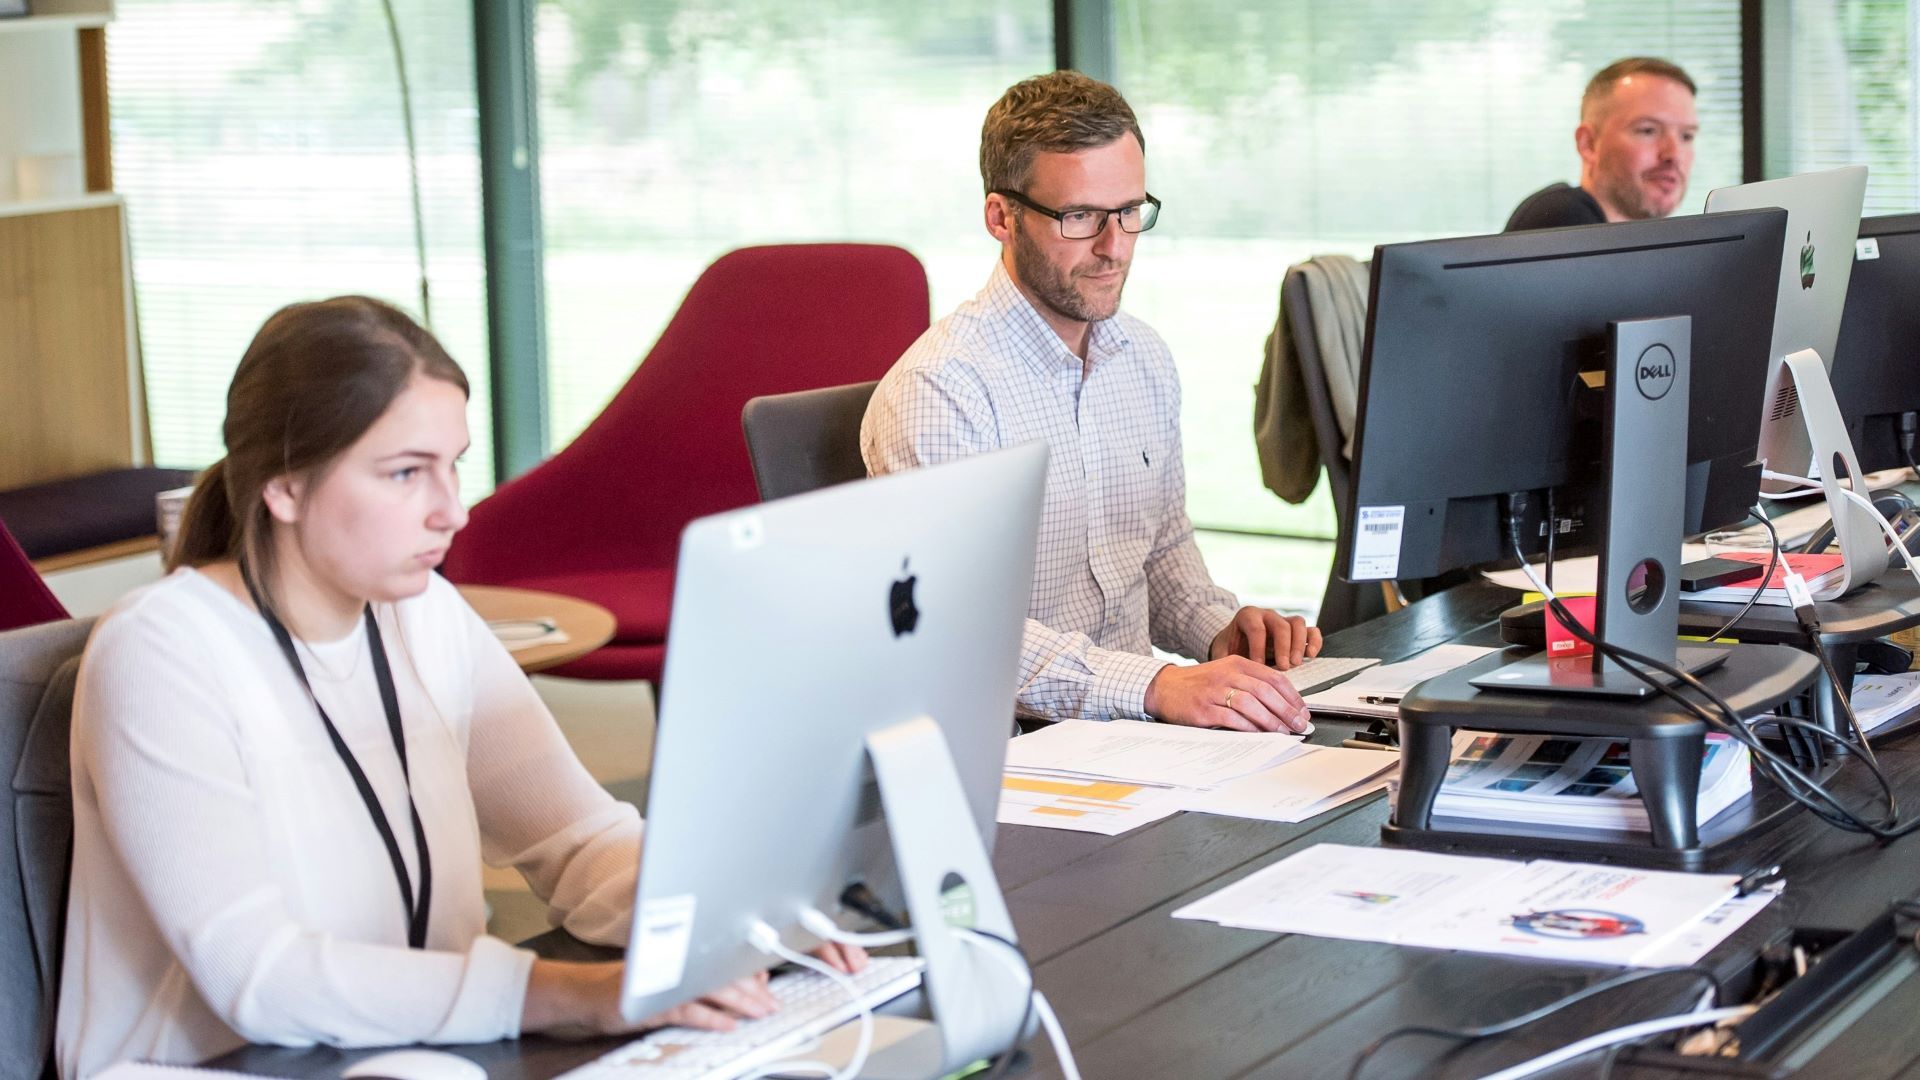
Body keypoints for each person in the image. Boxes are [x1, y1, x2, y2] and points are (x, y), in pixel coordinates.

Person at [57, 297, 860, 1075]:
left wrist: (742, 919)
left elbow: (580, 842)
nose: (453, 512)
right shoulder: (162, 652)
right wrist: (577, 996)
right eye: (406, 473)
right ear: (285, 486)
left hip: (416, 1052)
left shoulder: (423, 614)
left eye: (454, 468)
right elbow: (263, 979)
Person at [861, 71, 1320, 734]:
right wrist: (1159, 684)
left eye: (1130, 211)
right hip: (1018, 757)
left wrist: (1224, 633)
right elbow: (962, 632)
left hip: (1138, 739)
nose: (1115, 247)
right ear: (1001, 216)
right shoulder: (943, 391)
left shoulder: (1143, 359)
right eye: (1079, 217)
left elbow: (1160, 552)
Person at [1505, 57, 1699, 232]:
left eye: (1687, 136)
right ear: (1588, 144)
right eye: (1648, 130)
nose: (1674, 154)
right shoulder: (1561, 220)